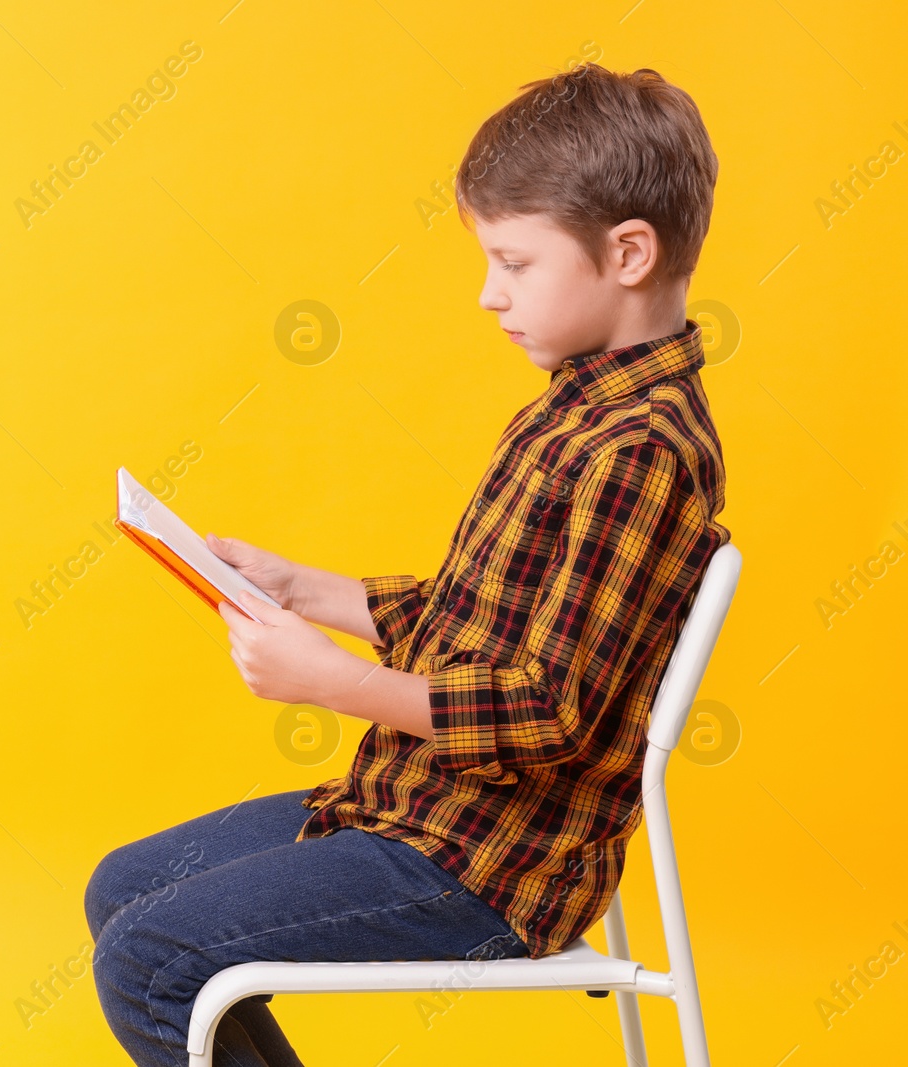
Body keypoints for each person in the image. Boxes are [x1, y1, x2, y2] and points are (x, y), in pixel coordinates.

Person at [86, 62, 729, 1067]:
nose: (487, 294)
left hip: (485, 866)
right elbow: (480, 610)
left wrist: (339, 685)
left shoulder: (638, 451)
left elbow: (549, 707)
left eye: (513, 263)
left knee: (150, 955)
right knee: (123, 888)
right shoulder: (578, 408)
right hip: (415, 804)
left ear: (628, 254)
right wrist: (301, 588)